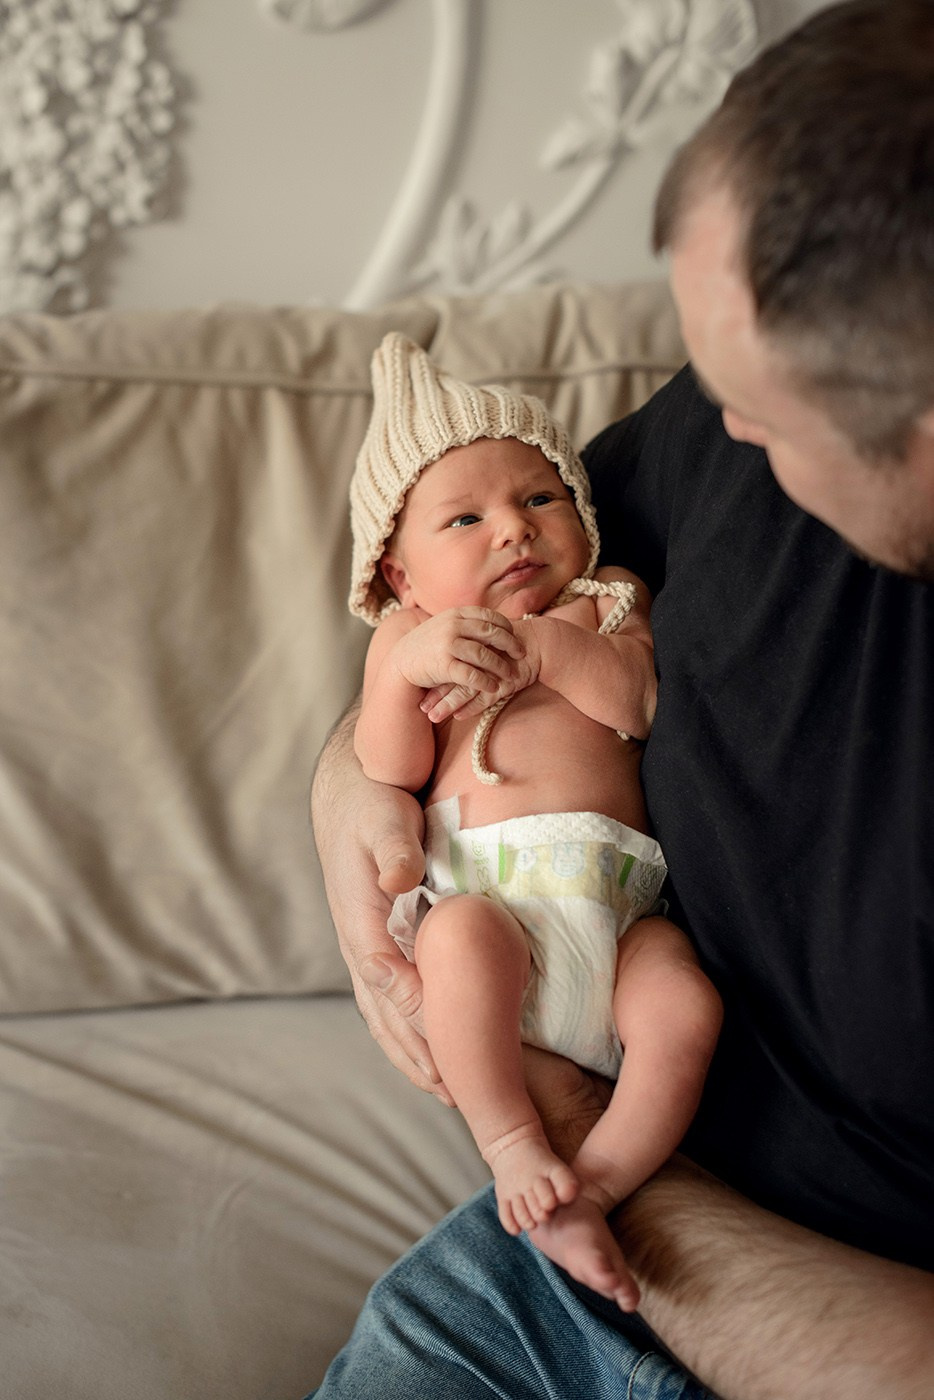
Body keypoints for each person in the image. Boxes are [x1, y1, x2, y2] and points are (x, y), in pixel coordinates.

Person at [309, 2, 934, 1395]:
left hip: (758, 1295)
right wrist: (354, 777)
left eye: (757, 398)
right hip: (527, 1273)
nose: (714, 426)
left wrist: (573, 1150)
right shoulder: (723, 431)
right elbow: (443, 622)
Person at [347, 331, 722, 1311]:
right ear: (399, 575)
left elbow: (633, 704)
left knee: (686, 1009)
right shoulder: (406, 637)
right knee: (457, 939)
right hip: (492, 898)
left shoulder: (604, 603)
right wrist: (408, 670)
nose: (512, 530)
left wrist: (548, 652)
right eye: (464, 517)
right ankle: (512, 1145)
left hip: (618, 907)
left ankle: (593, 1183)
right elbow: (387, 765)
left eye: (539, 496)